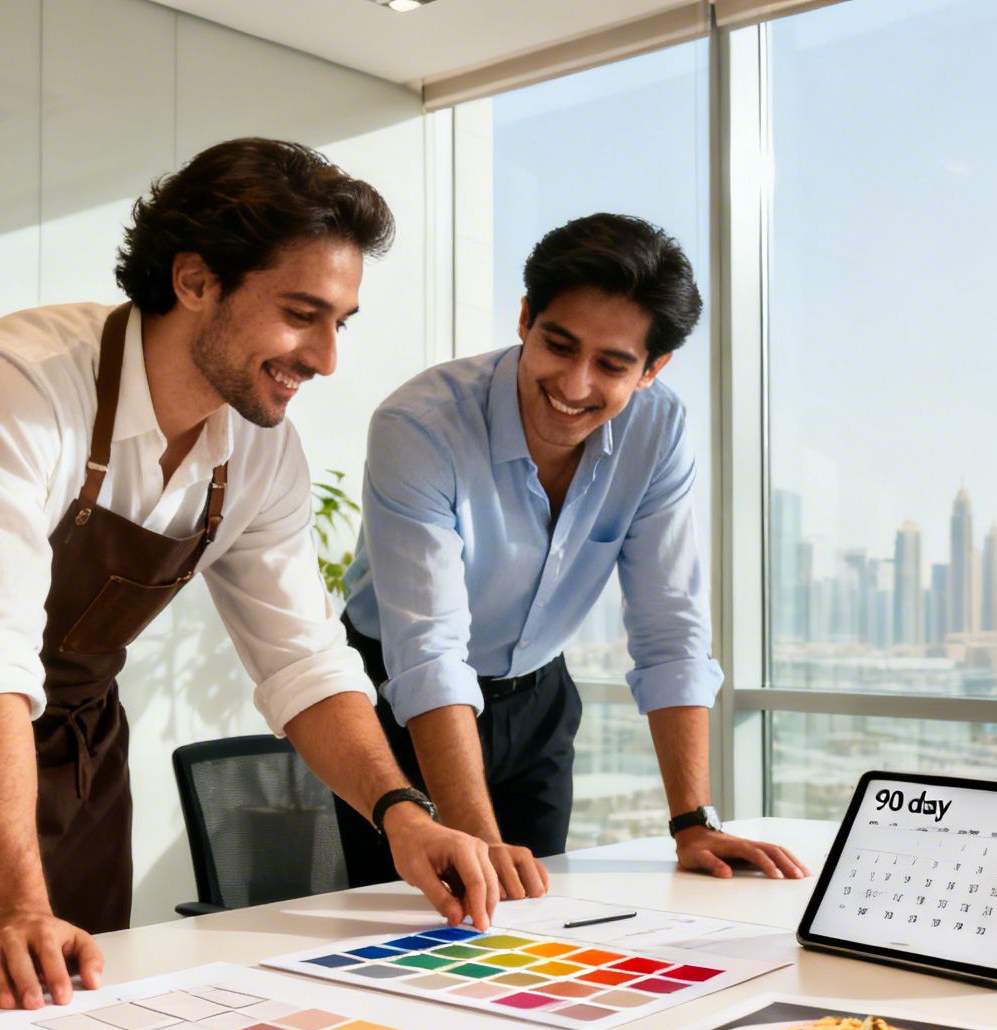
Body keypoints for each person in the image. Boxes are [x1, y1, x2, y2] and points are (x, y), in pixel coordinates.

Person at [0, 138, 497, 1010]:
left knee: (88, 1003)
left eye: (339, 323)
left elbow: (304, 661)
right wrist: (15, 908)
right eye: (300, 314)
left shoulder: (261, 449)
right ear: (197, 280)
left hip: (80, 741)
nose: (325, 358)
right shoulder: (13, 385)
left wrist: (403, 811)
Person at [333, 213, 807, 897]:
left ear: (652, 369)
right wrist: (479, 841)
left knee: (531, 919)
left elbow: (670, 629)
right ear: (525, 318)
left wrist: (694, 822)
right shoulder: (421, 425)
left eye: (612, 364)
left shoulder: (659, 430)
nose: (575, 384)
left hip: (537, 698)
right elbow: (429, 652)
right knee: (417, 926)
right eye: (559, 345)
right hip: (402, 700)